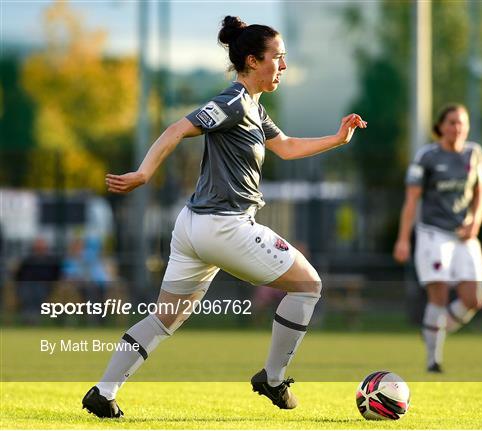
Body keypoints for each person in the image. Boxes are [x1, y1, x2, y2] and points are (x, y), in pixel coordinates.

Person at [82, 16, 366, 418]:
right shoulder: (233, 102)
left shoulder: (253, 108)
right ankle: (272, 378)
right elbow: (177, 128)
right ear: (252, 61)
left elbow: (285, 146)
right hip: (224, 226)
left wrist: (337, 139)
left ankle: (103, 391)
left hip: (193, 228)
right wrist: (144, 173)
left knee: (164, 318)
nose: (283, 66)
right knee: (308, 285)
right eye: (278, 58)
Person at [393, 104, 482, 373]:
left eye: (461, 123)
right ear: (441, 126)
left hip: (465, 234)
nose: (457, 128)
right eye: (451, 122)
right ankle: (433, 360)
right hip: (433, 234)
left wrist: (475, 222)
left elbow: (481, 193)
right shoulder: (427, 156)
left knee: (474, 299)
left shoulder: (474, 153)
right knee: (439, 293)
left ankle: (433, 329)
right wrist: (403, 239)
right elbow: (411, 200)